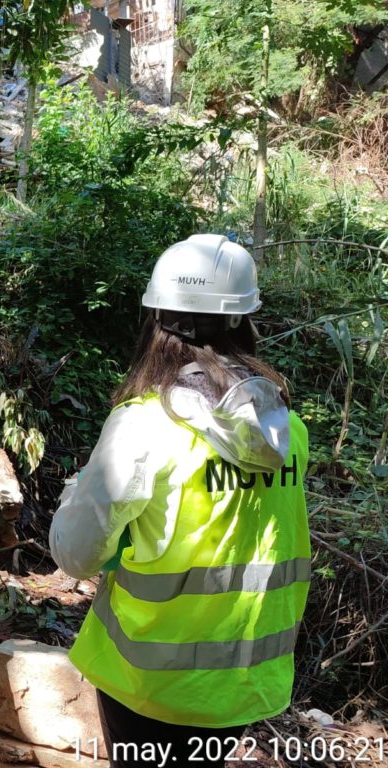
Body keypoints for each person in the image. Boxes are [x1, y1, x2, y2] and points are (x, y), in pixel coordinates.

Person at [49, 234, 311, 768]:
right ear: (245, 320)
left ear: (157, 319)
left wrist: (78, 491)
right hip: (240, 686)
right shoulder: (289, 433)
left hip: (151, 684)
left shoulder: (146, 425)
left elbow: (75, 556)